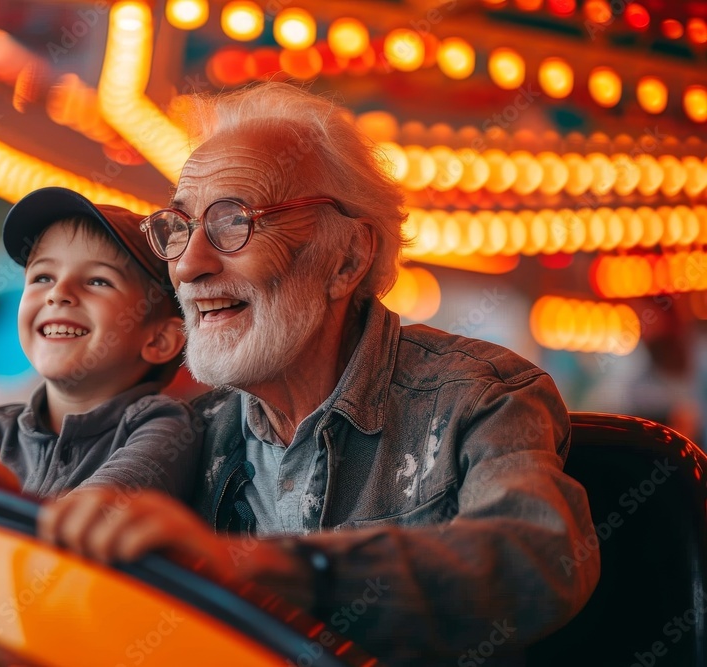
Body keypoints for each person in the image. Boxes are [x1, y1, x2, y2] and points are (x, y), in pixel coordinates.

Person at [38, 83, 600, 663]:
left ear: (348, 258)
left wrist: (263, 567)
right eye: (178, 228)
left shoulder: (478, 395)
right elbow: (75, 543)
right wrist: (12, 496)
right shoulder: (191, 429)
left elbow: (538, 558)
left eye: (233, 222)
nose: (188, 266)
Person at [0, 187, 199, 501]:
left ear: (159, 339)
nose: (57, 292)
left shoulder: (163, 425)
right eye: (42, 277)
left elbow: (95, 516)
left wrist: (4, 501)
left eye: (98, 281)